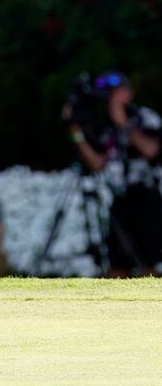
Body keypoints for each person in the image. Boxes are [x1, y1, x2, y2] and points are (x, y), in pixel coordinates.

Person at [67, 70, 162, 277]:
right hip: (120, 201)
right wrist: (77, 135)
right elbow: (96, 163)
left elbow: (151, 150)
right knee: (117, 267)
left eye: (115, 92)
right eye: (106, 94)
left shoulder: (143, 117)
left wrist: (124, 124)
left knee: (151, 264)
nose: (110, 98)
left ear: (128, 93)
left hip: (146, 198)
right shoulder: (107, 128)